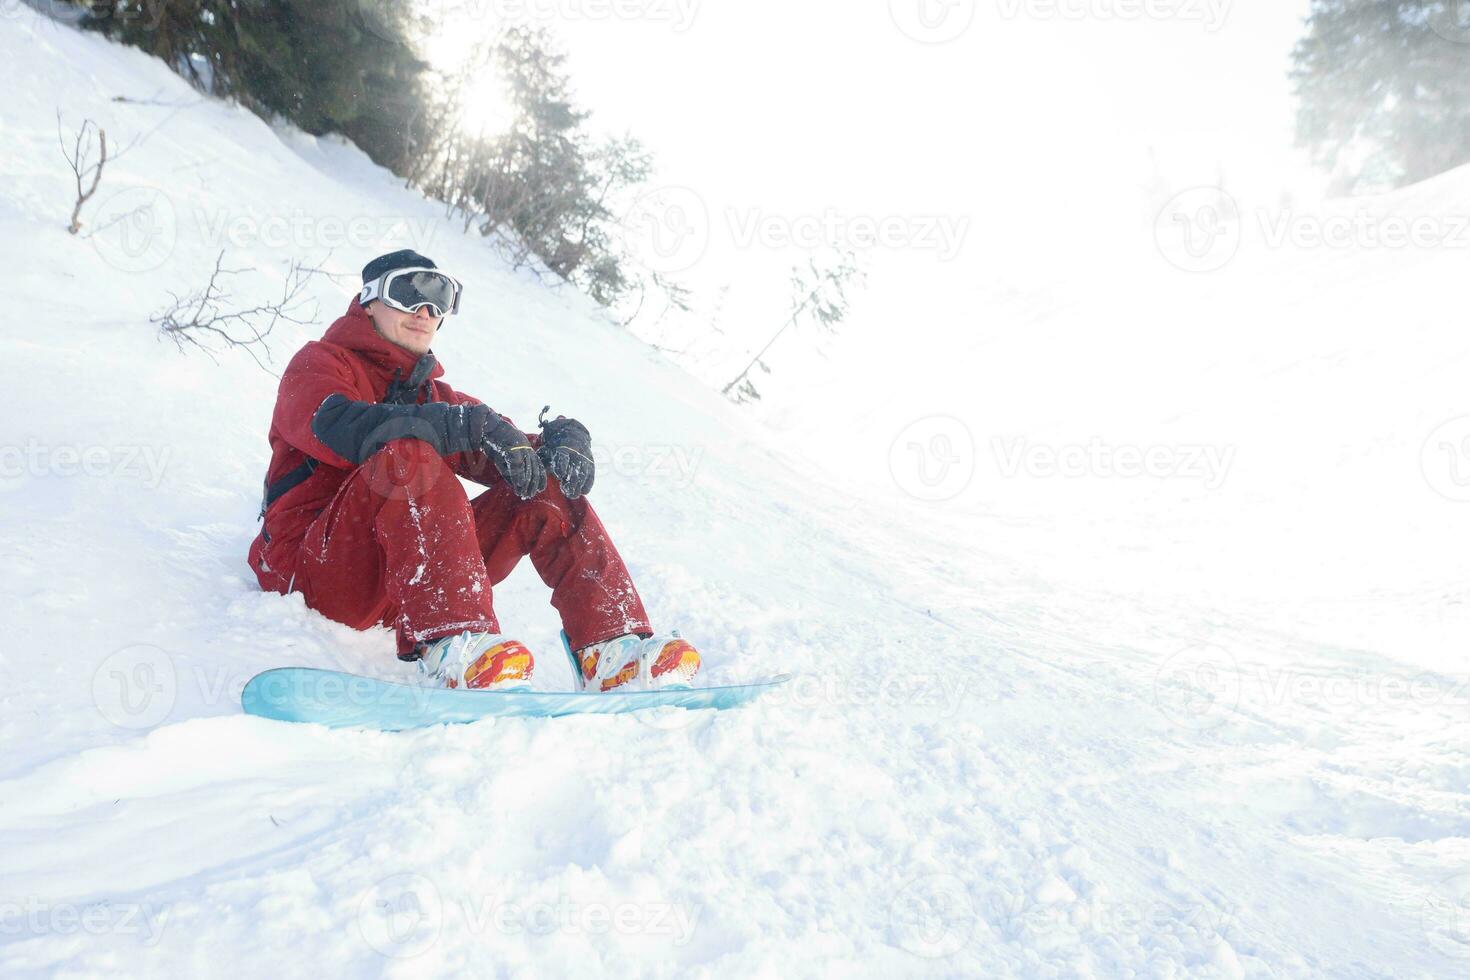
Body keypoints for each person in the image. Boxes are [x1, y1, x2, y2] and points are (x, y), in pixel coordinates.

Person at [247, 249, 701, 692]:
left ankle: (611, 649)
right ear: (368, 301)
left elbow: (504, 447)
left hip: (405, 590)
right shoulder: (319, 364)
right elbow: (340, 429)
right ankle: (454, 642)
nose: (425, 311)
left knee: (541, 483)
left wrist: (561, 442)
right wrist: (453, 426)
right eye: (408, 293)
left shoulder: (433, 396)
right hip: (316, 574)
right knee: (406, 453)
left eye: (439, 300)